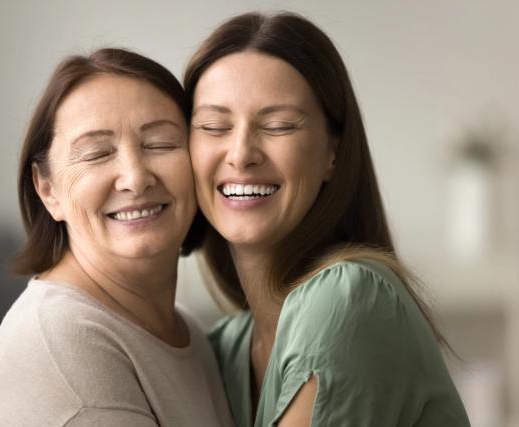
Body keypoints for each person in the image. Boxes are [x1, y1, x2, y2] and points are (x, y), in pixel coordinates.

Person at [183, 11, 471, 427]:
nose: (241, 153)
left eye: (279, 125)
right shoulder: (224, 350)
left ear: (332, 154)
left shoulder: (346, 300)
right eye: (213, 126)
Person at [0, 48, 233, 427]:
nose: (135, 177)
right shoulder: (67, 342)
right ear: (47, 189)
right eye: (96, 154)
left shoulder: (184, 328)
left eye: (160, 144)